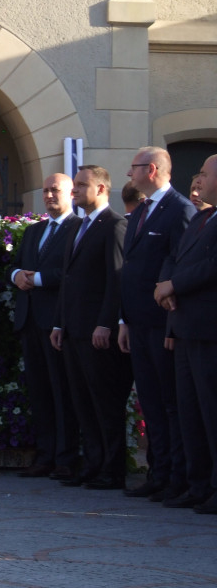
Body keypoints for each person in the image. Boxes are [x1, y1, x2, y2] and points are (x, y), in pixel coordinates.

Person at [50, 165, 132, 491]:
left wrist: (105, 323)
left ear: (101, 189)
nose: (75, 191)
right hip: (72, 329)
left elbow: (116, 280)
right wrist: (59, 322)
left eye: (82, 185)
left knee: (104, 402)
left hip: (97, 332)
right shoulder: (77, 227)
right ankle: (94, 463)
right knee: (81, 401)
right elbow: (68, 280)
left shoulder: (115, 225)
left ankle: (112, 469)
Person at [119, 147, 194, 501]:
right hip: (137, 323)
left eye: (133, 168)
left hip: (162, 325)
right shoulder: (141, 211)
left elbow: (179, 267)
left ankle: (178, 477)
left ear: (150, 169)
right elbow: (131, 270)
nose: (128, 175)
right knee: (149, 402)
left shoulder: (180, 210)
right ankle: (157, 471)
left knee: (170, 403)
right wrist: (124, 320)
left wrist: (171, 327)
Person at [155, 154, 217, 513]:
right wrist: (165, 282)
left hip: (209, 332)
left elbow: (212, 266)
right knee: (190, 412)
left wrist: (173, 284)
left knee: (211, 411)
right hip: (185, 329)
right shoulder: (202, 219)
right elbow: (174, 257)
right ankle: (198, 483)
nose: (199, 181)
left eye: (205, 175)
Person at [9, 173, 81, 480]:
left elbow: (73, 274)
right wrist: (16, 277)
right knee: (38, 392)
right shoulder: (34, 230)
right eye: (46, 190)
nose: (49, 195)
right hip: (30, 321)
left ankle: (66, 457)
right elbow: (18, 265)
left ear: (72, 194)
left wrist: (36, 279)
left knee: (61, 392)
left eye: (55, 190)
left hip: (57, 322)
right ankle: (45, 453)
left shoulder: (78, 228)